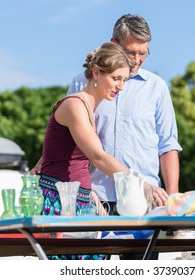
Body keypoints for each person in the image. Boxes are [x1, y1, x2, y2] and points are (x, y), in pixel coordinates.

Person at [67, 14, 182, 260]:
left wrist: (172, 200)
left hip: (145, 202)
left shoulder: (157, 87)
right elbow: (73, 145)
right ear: (113, 43)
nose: (138, 60)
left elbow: (168, 145)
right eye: (131, 53)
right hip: (95, 200)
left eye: (144, 53)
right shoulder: (83, 84)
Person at [31, 41, 135, 260]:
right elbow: (97, 156)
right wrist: (138, 184)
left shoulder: (89, 109)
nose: (121, 86)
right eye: (116, 78)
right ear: (96, 73)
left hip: (80, 201)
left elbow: (75, 161)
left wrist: (91, 197)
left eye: (124, 80)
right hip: (59, 203)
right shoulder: (74, 105)